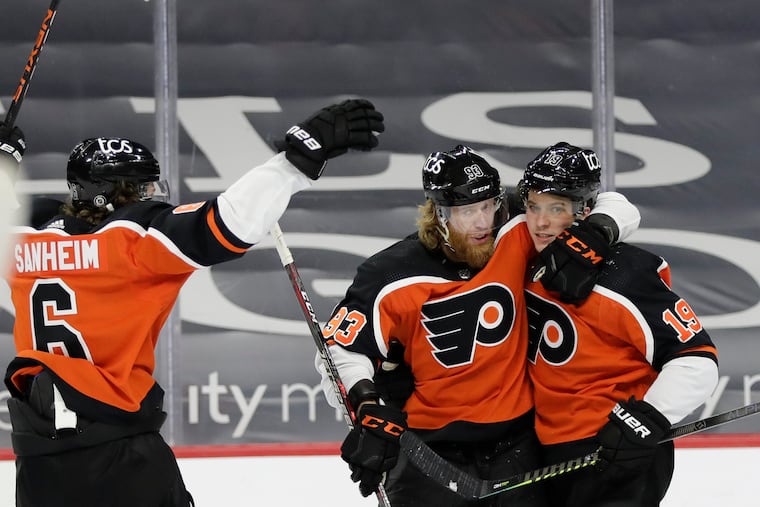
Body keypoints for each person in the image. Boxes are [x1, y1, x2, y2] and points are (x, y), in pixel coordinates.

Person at [1, 98, 385, 507]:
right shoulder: (133, 241)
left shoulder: (21, 238)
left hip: (38, 465)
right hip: (119, 458)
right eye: (141, 188)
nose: (150, 196)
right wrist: (294, 163)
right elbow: (229, 221)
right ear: (109, 196)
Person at [316, 144, 641, 506]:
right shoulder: (391, 273)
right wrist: (365, 402)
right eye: (468, 211)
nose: (483, 222)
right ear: (438, 213)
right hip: (430, 453)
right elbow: (339, 348)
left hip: (516, 448)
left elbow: (615, 204)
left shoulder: (514, 228)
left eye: (489, 206)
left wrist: (597, 231)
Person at [519, 142, 719, 506]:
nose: (542, 221)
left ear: (584, 210)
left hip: (616, 451)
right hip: (548, 450)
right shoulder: (522, 253)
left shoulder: (623, 275)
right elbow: (616, 203)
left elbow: (697, 358)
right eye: (533, 206)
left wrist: (645, 420)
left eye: (557, 208)